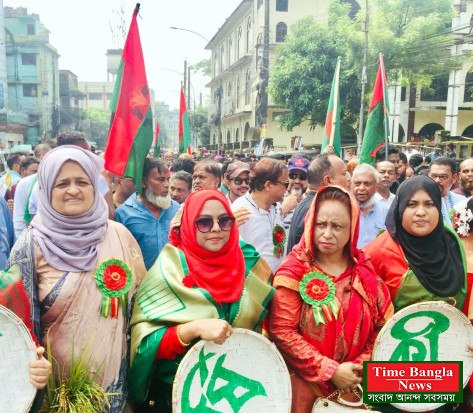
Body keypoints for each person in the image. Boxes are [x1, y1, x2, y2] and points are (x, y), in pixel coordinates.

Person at [3, 145, 146, 411]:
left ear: (94, 186)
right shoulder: (29, 246)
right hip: (54, 395)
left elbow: (142, 310)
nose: (73, 190)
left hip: (115, 393)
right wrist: (32, 366)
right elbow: (16, 328)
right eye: (62, 183)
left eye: (82, 181)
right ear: (46, 189)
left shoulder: (119, 236)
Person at [128, 189, 274, 412]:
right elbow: (144, 346)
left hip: (239, 390)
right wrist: (192, 329)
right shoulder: (168, 270)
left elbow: (270, 322)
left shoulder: (250, 262)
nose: (216, 228)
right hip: (178, 393)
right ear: (187, 224)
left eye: (224, 220)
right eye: (204, 222)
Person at [269, 186, 393, 413]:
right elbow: (282, 330)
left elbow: (384, 327)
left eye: (337, 227)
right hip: (304, 389)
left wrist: (357, 368)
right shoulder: (295, 269)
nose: (327, 234)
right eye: (321, 224)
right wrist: (330, 370)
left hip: (356, 386)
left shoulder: (364, 270)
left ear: (352, 229)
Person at [364, 175, 466, 313]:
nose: (421, 212)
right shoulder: (376, 253)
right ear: (400, 208)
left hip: (454, 331)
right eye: (411, 204)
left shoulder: (452, 242)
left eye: (429, 204)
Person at [116, 158, 179, 270]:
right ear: (143, 182)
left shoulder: (177, 209)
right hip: (141, 284)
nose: (166, 185)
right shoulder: (123, 214)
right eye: (160, 180)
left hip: (174, 282)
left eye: (168, 179)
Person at [231, 158, 288, 272]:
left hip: (277, 281)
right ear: (268, 185)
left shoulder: (276, 207)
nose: (288, 188)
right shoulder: (240, 211)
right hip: (252, 283)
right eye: (285, 184)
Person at [287, 154, 348, 253]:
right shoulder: (318, 208)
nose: (348, 179)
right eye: (344, 173)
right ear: (328, 180)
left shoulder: (309, 203)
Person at [351, 164, 389, 248]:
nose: (361, 188)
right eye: (357, 183)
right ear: (351, 185)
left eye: (367, 184)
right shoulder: (344, 212)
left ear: (376, 187)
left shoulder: (386, 212)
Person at [429, 156, 465, 226]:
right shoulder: (421, 202)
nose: (437, 180)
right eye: (433, 176)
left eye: (442, 177)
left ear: (454, 178)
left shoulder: (462, 202)